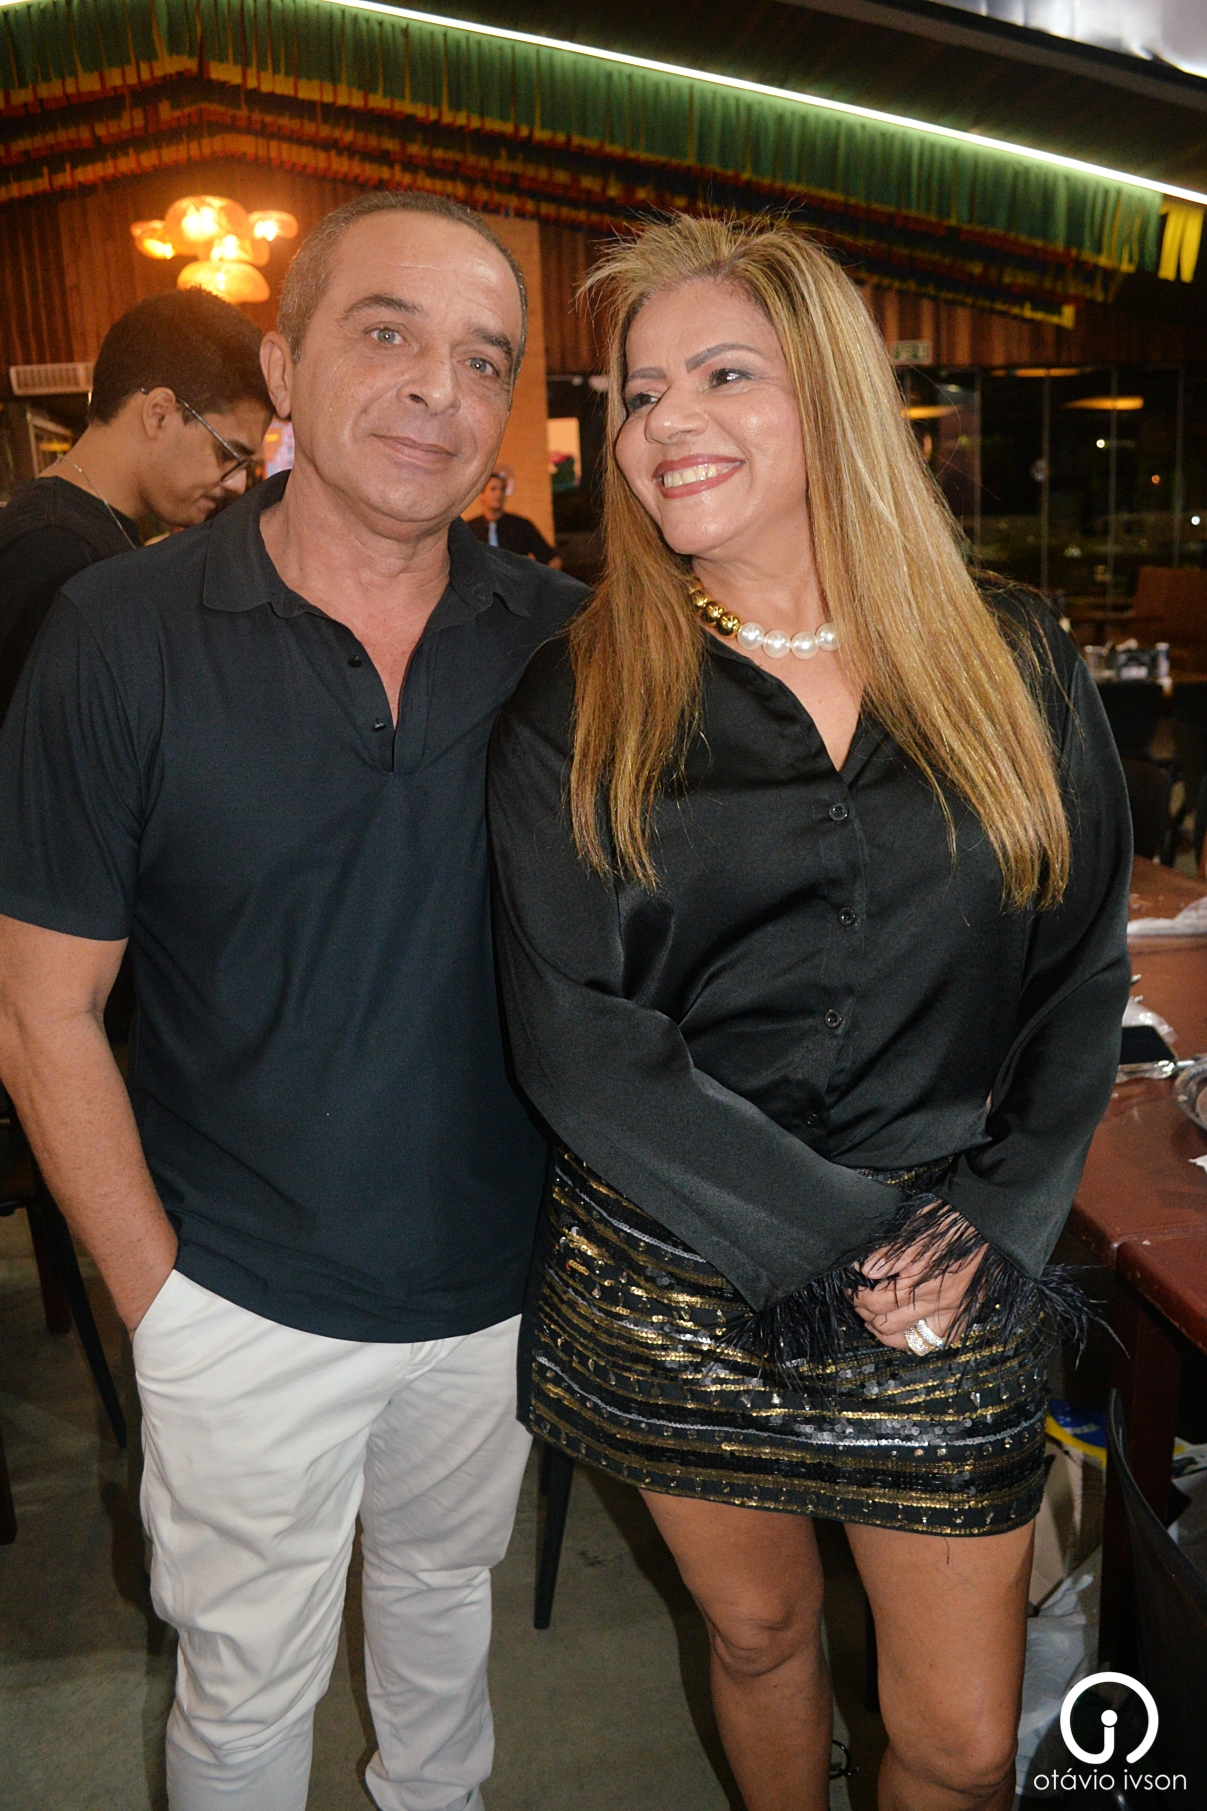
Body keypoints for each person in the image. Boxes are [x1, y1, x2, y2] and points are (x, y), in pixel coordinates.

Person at [487, 216, 1131, 1811]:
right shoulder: (580, 696)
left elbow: (1077, 969)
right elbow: (578, 1036)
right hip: (679, 1268)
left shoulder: (1011, 656)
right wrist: (847, 1242)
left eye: (721, 375)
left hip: (952, 1262)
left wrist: (991, 1218)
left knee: (961, 1744)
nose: (663, 423)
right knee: (760, 1633)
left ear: (830, 396)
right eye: (638, 393)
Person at [0, 192, 583, 1810]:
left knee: (442, 1629)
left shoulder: (568, 645)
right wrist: (164, 1308)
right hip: (238, 1297)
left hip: (494, 1293)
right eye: (386, 333)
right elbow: (39, 1012)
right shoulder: (119, 632)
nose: (437, 389)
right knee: (245, 1694)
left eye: (483, 358)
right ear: (282, 364)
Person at [0, 289, 272, 726]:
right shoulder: (52, 551)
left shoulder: (82, 528)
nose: (236, 484)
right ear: (159, 413)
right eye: (227, 454)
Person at [467, 469, 562, 566]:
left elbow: (552, 559)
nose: (498, 493)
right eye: (493, 489)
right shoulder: (470, 529)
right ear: (481, 494)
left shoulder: (521, 526)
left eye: (502, 489)